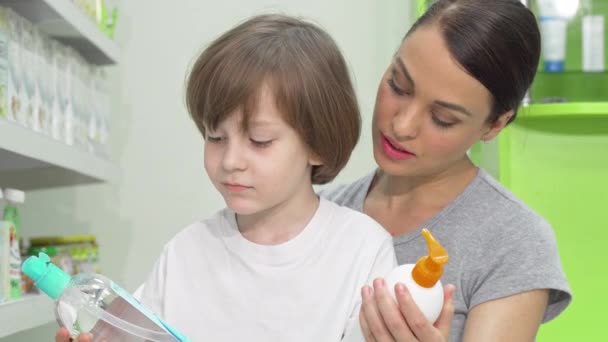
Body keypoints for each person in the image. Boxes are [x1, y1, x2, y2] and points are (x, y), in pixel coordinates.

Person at [55, 14, 397, 342]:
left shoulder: (361, 250)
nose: (231, 161)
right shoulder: (184, 255)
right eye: (215, 137)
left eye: (259, 141)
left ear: (317, 144)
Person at [321, 0, 571, 341]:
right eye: (398, 85)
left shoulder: (512, 242)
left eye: (443, 119)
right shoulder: (322, 213)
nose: (403, 125)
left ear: (495, 124)